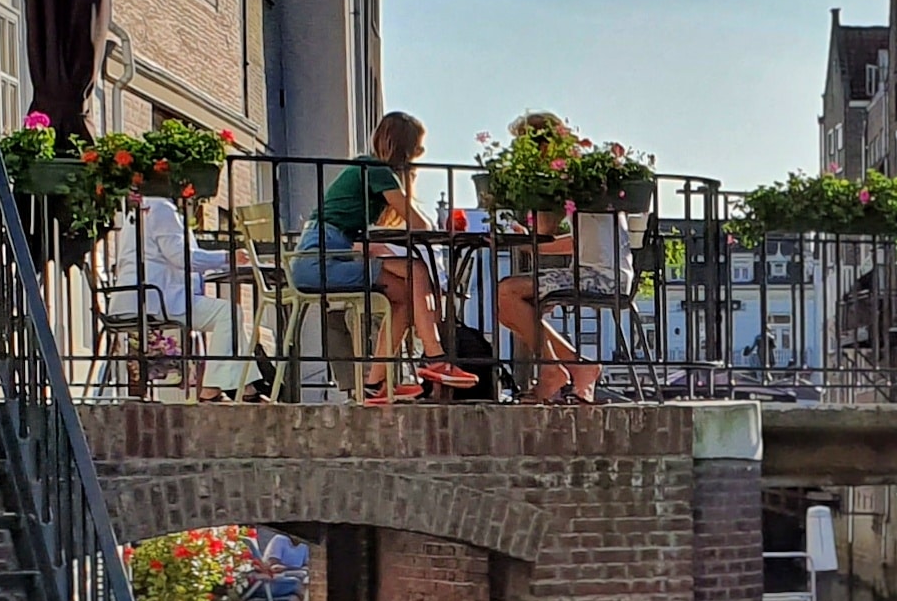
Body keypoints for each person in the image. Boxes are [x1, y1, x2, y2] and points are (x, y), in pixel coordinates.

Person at [289, 111, 477, 403]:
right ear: (405, 146)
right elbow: (419, 224)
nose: (421, 153)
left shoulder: (368, 168)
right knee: (415, 271)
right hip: (320, 259)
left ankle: (377, 383)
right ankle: (434, 357)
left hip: (323, 252)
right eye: (418, 146)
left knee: (403, 294)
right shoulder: (373, 167)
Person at [493, 112, 631, 403]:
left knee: (506, 293)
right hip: (612, 271)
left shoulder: (564, 177)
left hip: (596, 274)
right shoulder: (587, 174)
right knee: (508, 302)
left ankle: (554, 371)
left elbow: (544, 229)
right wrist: (534, 246)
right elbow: (580, 241)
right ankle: (578, 368)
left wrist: (534, 191)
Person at [110, 195, 268, 401]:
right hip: (156, 298)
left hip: (135, 296)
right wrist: (227, 258)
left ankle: (246, 387)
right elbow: (181, 257)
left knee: (227, 315)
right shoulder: (161, 207)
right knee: (227, 314)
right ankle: (213, 388)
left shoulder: (140, 209)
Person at [244, 529, 311, 601]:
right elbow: (273, 566)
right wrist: (293, 570)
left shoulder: (304, 545)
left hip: (289, 582)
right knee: (303, 590)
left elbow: (307, 565)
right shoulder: (280, 540)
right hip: (270, 584)